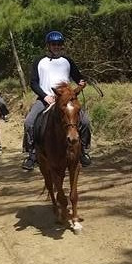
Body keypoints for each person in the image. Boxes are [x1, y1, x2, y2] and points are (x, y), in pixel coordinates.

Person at [22, 31, 91, 171]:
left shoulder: (67, 61)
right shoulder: (39, 61)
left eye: (59, 44)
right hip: (45, 99)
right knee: (29, 122)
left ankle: (83, 151)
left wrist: (81, 82)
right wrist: (45, 96)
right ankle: (33, 154)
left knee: (85, 122)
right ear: (48, 45)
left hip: (66, 100)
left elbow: (78, 77)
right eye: (54, 44)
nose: (56, 47)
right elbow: (34, 82)